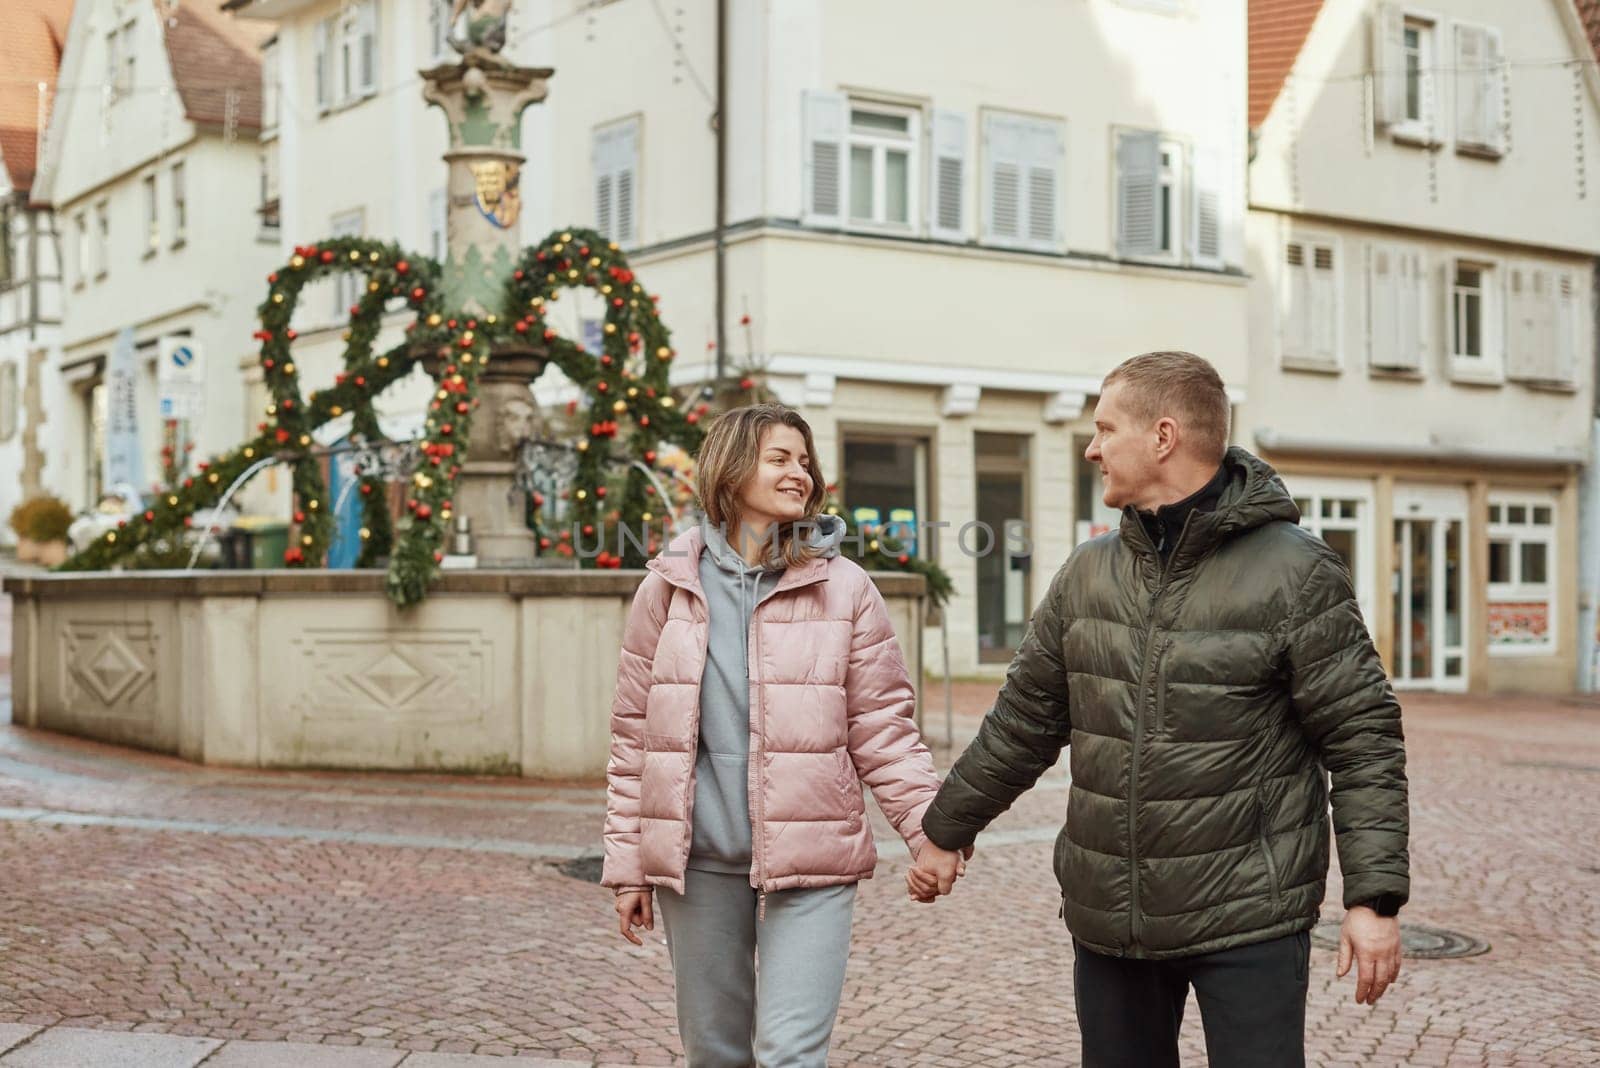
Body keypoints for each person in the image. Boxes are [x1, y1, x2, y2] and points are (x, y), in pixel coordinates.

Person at [909, 351, 1410, 1068]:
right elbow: (1023, 722)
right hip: (1111, 919)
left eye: (1106, 428)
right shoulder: (1088, 572)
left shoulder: (1296, 572)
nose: (1092, 447)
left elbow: (1364, 741)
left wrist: (1374, 899)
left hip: (1249, 917)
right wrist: (944, 829)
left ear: (1164, 437)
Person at [602, 403, 947, 1067]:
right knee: (716, 1052)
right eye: (780, 458)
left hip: (812, 856)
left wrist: (931, 831)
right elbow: (634, 738)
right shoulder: (667, 590)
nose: (801, 473)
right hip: (698, 861)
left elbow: (884, 727)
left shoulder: (844, 587)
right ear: (730, 472)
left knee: (791, 1054)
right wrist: (628, 868)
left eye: (805, 460)